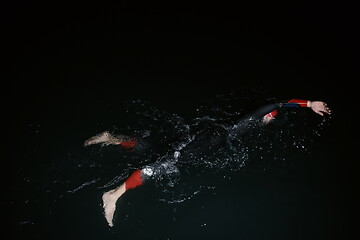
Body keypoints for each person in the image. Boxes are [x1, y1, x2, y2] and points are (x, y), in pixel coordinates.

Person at [84, 99, 331, 227]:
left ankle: (113, 139)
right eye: (269, 119)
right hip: (210, 139)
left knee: (157, 150)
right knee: (166, 163)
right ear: (267, 117)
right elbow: (278, 103)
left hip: (206, 132)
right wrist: (309, 104)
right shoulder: (257, 117)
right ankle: (114, 195)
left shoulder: (248, 123)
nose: (268, 121)